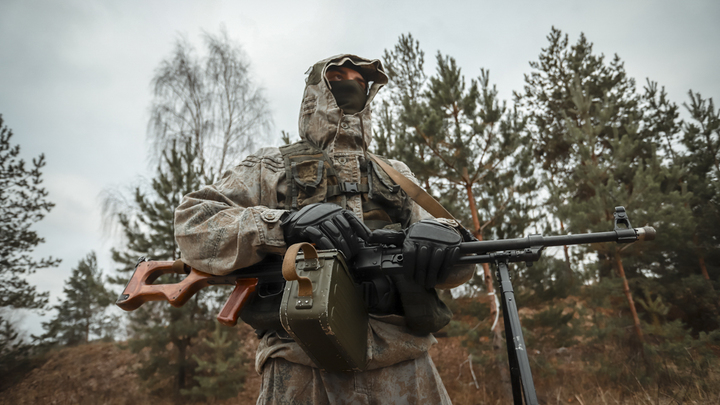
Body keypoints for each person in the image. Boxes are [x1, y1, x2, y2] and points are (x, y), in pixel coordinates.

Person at [174, 54, 475, 404]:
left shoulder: (396, 174)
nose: (350, 84)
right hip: (301, 365)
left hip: (405, 365)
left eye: (360, 81)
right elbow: (192, 224)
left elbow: (459, 269)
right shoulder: (270, 166)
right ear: (316, 92)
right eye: (338, 76)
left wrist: (447, 242)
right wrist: (282, 225)